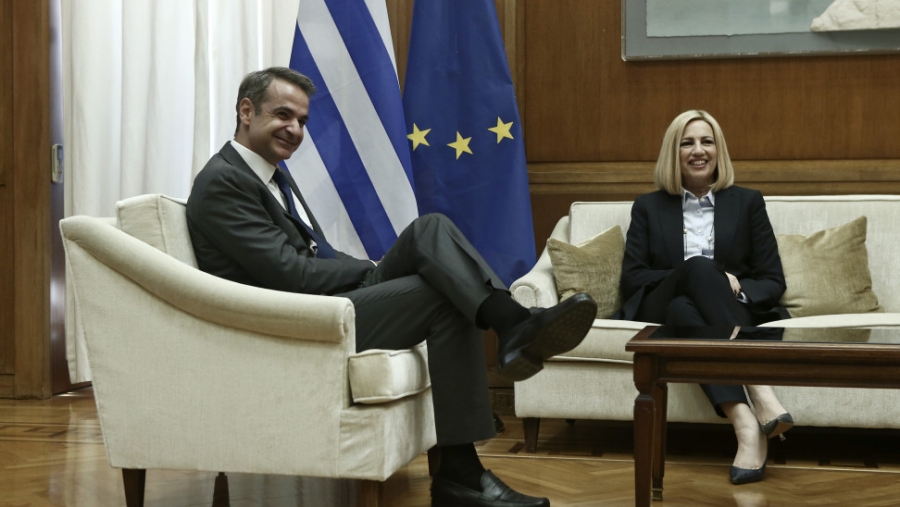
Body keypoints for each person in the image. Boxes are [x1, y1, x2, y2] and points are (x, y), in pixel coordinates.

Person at [186, 66, 597, 507]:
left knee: (429, 230)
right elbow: (292, 275)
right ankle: (464, 465)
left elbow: (319, 255)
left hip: (324, 306)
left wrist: (372, 268)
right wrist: (368, 270)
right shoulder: (223, 181)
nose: (295, 130)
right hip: (293, 324)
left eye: (302, 121)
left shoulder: (271, 176)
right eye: (283, 115)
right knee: (443, 292)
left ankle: (509, 334)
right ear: (247, 111)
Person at [615, 110, 793, 485]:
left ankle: (747, 427)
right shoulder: (648, 206)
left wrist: (730, 286)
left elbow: (772, 279)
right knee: (696, 270)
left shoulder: (748, 203)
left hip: (704, 313)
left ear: (718, 150)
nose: (698, 150)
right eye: (687, 143)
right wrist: (700, 275)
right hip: (657, 304)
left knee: (684, 309)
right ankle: (760, 389)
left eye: (706, 141)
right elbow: (633, 279)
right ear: (674, 152)